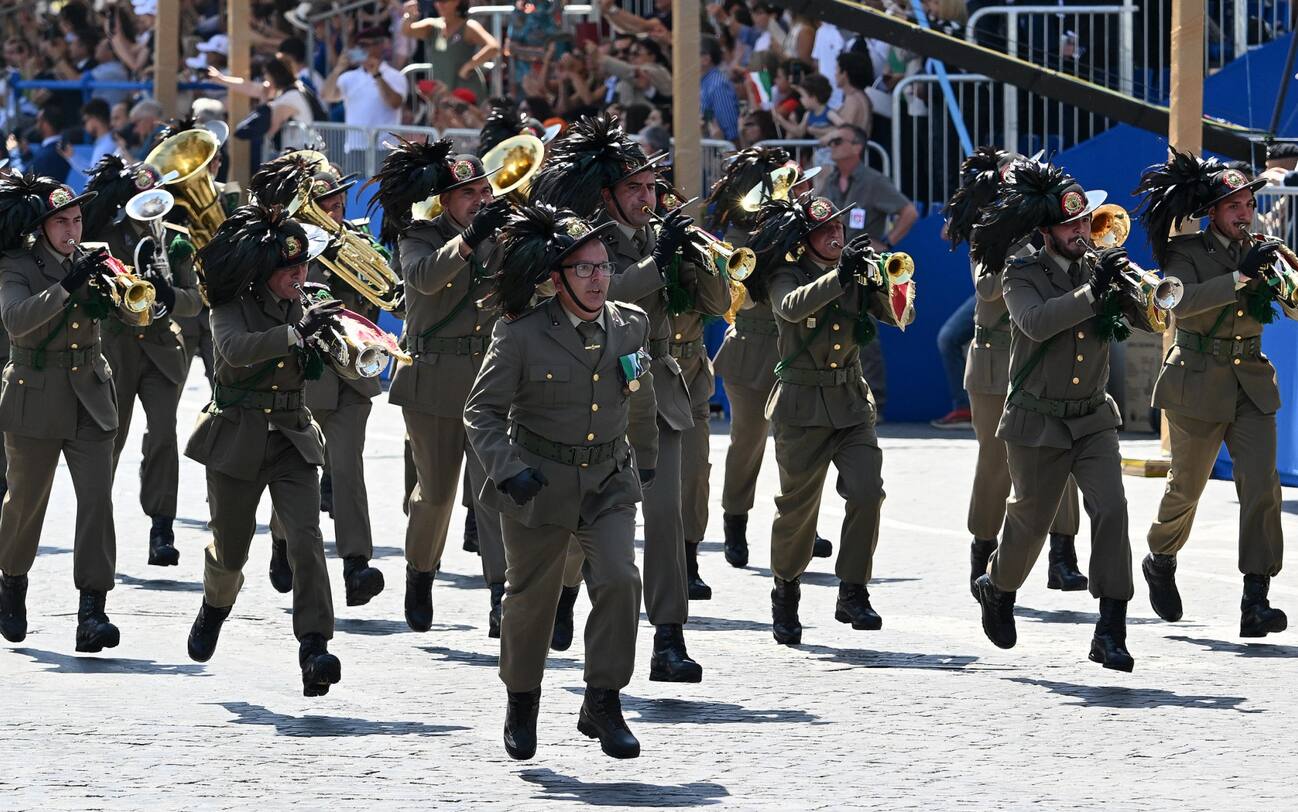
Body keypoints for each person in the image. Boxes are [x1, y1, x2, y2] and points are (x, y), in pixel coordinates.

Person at [465, 202, 651, 761]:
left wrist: (650, 460)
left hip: (610, 481)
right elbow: (481, 412)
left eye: (603, 267)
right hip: (538, 482)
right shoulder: (520, 335)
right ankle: (522, 702)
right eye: (585, 269)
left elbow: (639, 398)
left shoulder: (631, 324)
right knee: (529, 602)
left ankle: (603, 701)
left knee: (620, 581)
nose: (598, 279)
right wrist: (507, 469)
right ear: (557, 278)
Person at [528, 114, 707, 681]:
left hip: (660, 383)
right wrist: (662, 259)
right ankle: (563, 590)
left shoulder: (665, 236)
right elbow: (610, 295)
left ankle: (669, 639)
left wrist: (701, 257)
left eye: (651, 187)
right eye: (634, 188)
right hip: (598, 382)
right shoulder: (588, 243)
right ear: (607, 196)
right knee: (591, 509)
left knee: (664, 514)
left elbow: (721, 295)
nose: (647, 197)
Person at [969, 161, 1156, 671]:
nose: (1081, 232)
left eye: (1085, 222)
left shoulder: (1101, 266)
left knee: (1112, 511)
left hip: (1093, 416)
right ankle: (998, 587)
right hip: (1037, 418)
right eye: (1071, 225)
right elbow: (1034, 322)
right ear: (1047, 232)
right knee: (1030, 520)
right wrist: (1095, 292)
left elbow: (1146, 317)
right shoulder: (1021, 273)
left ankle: (1111, 629)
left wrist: (1140, 289)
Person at [183, 204, 343, 697]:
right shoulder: (229, 305)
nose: (300, 277)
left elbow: (340, 353)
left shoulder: (310, 301)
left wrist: (348, 343)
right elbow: (233, 351)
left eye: (303, 268)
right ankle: (215, 605)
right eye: (289, 271)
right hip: (237, 436)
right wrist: (297, 333)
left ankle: (314, 646)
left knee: (307, 538)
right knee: (231, 550)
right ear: (263, 273)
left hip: (292, 436)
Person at [1134, 151, 1293, 637]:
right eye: (1234, 206)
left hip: (1250, 380)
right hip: (1197, 377)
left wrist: (1280, 269)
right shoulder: (1186, 250)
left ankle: (1256, 598)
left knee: (1263, 487)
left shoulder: (1263, 245)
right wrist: (1240, 276)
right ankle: (1161, 559)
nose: (1244, 213)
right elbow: (1181, 304)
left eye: (1248, 203)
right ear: (1213, 213)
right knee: (1187, 486)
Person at [748, 192, 915, 645]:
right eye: (825, 231)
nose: (835, 236)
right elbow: (790, 307)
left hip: (850, 401)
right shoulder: (787, 274)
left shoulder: (856, 270)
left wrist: (887, 280)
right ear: (804, 242)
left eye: (839, 229)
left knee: (867, 491)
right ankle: (786, 589)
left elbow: (902, 316)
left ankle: (853, 590)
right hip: (800, 405)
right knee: (797, 508)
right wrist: (841, 276)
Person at [368, 137, 513, 636]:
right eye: (469, 194)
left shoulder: (500, 235)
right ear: (446, 200)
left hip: (487, 382)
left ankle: (501, 595)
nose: (481, 201)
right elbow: (424, 280)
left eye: (485, 192)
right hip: (431, 380)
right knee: (436, 493)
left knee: (493, 490)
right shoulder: (420, 236)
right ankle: (420, 575)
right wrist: (471, 240)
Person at [943, 147, 1084, 595]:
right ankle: (982, 550)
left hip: (1045, 355)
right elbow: (986, 289)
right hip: (996, 360)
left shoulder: (1054, 231)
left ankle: (1063, 555)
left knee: (1063, 454)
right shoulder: (991, 232)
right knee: (996, 462)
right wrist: (1022, 240)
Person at [250, 157, 388, 607]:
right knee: (296, 472)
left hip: (353, 375)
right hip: (305, 377)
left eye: (339, 203)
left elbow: (383, 295)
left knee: (348, 470)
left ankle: (356, 564)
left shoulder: (359, 243)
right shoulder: (288, 251)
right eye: (325, 204)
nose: (335, 211)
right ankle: (280, 539)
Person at [0, 176, 120, 653]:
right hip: (36, 396)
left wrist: (135, 293)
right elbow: (15, 319)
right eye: (62, 222)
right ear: (41, 229)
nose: (73, 229)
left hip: (91, 392)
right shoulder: (15, 266)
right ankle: (11, 580)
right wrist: (68, 286)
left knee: (97, 501)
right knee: (26, 504)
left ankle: (93, 609)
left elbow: (132, 315)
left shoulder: (93, 260)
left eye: (77, 219)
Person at [708, 150, 833, 568]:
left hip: (793, 349)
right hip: (749, 351)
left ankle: (803, 526)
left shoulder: (799, 238)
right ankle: (734, 522)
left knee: (798, 447)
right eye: (792, 186)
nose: (802, 191)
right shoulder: (742, 239)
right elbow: (741, 289)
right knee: (748, 442)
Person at [80, 156, 203, 567]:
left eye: (156, 196)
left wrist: (169, 295)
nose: (149, 204)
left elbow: (194, 300)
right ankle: (96, 527)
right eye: (141, 196)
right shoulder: (106, 239)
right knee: (109, 440)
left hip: (163, 351)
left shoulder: (177, 241)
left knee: (164, 436)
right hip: (116, 349)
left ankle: (161, 528)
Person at [659, 180, 732, 601]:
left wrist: (702, 258)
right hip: (644, 371)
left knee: (695, 475)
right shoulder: (641, 253)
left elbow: (718, 304)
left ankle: (688, 560)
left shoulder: (693, 253)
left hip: (689, 376)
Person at [819, 123, 918, 415]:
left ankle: (876, 403)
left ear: (857, 147)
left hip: (863, 266)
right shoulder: (831, 180)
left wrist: (886, 242)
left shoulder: (873, 180)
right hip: (834, 267)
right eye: (831, 141)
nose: (833, 146)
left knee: (866, 334)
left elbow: (908, 212)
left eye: (839, 141)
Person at [321, 28, 406, 158]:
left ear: (379, 46)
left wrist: (377, 75)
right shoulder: (348, 77)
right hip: (356, 150)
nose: (361, 49)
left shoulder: (395, 76)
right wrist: (338, 69)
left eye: (364, 45)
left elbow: (394, 103)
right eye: (359, 46)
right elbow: (327, 95)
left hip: (386, 150)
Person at [401, 0, 501, 103]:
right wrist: (409, 15)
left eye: (444, 1)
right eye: (437, 1)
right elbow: (407, 31)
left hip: (467, 93)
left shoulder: (468, 26)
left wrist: (468, 66)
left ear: (457, 2)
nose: (439, 5)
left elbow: (494, 47)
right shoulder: (433, 26)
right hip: (444, 95)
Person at [700, 36, 740, 142]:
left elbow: (731, 131)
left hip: (720, 153)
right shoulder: (703, 82)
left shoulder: (718, 85)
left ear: (705, 59)